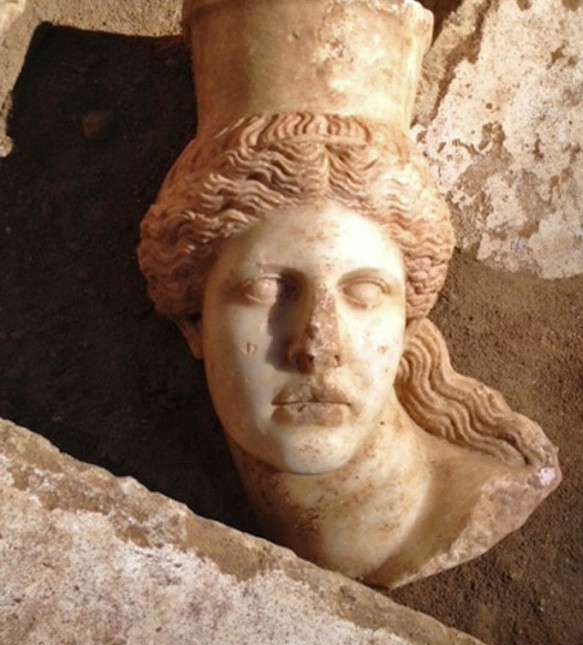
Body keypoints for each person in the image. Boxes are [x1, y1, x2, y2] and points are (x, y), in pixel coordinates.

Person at [138, 108, 561, 588]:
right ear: (193, 324)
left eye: (364, 294)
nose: (317, 346)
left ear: (408, 329)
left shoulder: (466, 500)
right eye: (268, 290)